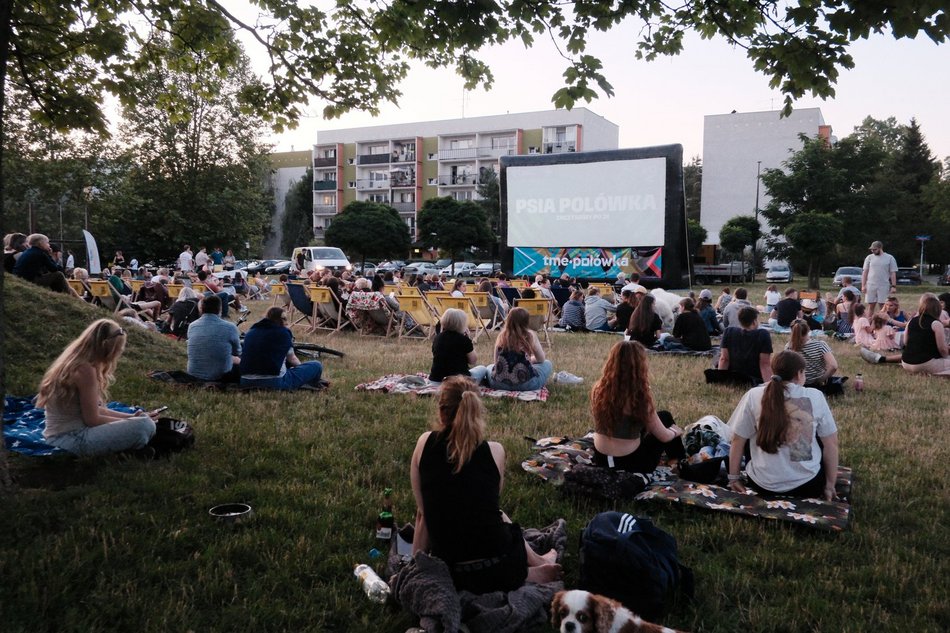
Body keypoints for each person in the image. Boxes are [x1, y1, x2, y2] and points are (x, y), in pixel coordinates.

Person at [409, 377, 561, 593]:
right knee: (498, 516)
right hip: (498, 564)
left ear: (442, 412)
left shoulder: (424, 443)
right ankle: (532, 567)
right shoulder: (495, 451)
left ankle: (531, 570)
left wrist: (416, 568)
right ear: (476, 412)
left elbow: (423, 515)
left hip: (452, 571)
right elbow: (487, 507)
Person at [726, 351, 839, 500]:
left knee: (747, 432)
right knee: (819, 434)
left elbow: (737, 439)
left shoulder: (753, 395)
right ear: (799, 374)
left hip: (761, 484)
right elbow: (831, 444)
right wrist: (830, 485)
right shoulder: (815, 396)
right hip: (808, 486)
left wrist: (733, 478)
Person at [37, 319, 157, 456]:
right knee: (144, 426)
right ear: (106, 348)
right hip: (70, 439)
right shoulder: (85, 370)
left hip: (62, 436)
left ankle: (131, 448)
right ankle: (130, 448)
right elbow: (93, 419)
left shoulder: (77, 362)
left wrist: (132, 416)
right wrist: (133, 422)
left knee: (142, 422)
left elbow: (94, 409)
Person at [590, 340, 686, 473]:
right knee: (666, 418)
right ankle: (680, 459)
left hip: (601, 459)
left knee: (662, 415)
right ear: (640, 365)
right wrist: (676, 431)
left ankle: (677, 458)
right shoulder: (639, 395)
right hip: (632, 464)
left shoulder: (598, 388)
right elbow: (664, 436)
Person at [240, 306, 325, 390]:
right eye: (284, 319)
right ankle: (311, 383)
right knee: (316, 365)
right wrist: (301, 369)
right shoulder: (283, 333)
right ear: (279, 320)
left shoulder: (250, 332)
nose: (287, 322)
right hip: (274, 382)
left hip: (245, 381)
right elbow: (292, 359)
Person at [487, 307, 553, 391]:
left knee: (489, 367)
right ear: (526, 321)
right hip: (527, 384)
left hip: (499, 384)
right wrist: (531, 359)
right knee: (547, 363)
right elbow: (541, 359)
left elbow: (496, 362)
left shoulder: (502, 336)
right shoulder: (530, 335)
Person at [187, 295, 242, 382]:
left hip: (194, 376)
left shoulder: (192, 326)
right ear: (220, 309)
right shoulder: (230, 327)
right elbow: (238, 352)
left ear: (201, 309)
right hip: (221, 377)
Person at [428, 308, 489, 384]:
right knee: (482, 369)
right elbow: (473, 361)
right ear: (462, 324)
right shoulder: (463, 340)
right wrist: (468, 339)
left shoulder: (437, 338)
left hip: (435, 380)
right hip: (458, 382)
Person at [719, 306, 773, 384]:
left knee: (717, 360)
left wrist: (720, 381)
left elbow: (724, 359)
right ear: (754, 321)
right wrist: (769, 385)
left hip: (732, 378)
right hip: (753, 380)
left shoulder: (728, 331)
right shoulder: (763, 334)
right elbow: (764, 363)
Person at [900, 293, 950, 377]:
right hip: (925, 363)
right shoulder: (936, 324)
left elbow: (905, 342)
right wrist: (945, 357)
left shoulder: (911, 321)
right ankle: (935, 374)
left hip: (905, 362)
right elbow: (942, 349)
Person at [12, 233, 77, 296]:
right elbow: (54, 268)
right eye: (47, 243)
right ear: (41, 243)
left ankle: (58, 295)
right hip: (30, 280)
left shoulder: (28, 251)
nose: (49, 245)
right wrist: (49, 255)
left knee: (52, 276)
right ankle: (68, 295)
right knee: (58, 275)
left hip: (19, 278)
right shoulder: (41, 253)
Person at [785, 319, 838, 387]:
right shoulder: (820, 345)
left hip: (798, 384)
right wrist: (821, 379)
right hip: (817, 384)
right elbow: (834, 366)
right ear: (808, 329)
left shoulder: (788, 347)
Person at [862, 240, 898, 315]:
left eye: (875, 249)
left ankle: (883, 320)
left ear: (880, 248)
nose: (873, 251)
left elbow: (893, 273)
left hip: (883, 285)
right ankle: (870, 320)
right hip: (871, 284)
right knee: (871, 305)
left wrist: (893, 286)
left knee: (883, 305)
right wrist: (863, 285)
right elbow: (865, 272)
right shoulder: (869, 258)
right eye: (872, 249)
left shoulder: (889, 258)